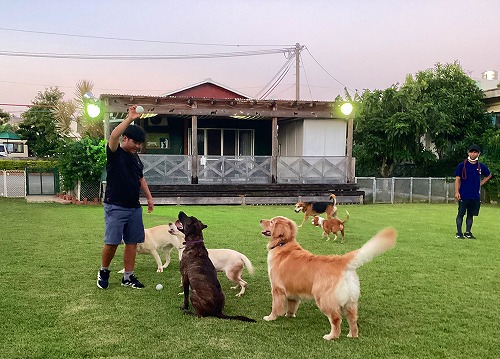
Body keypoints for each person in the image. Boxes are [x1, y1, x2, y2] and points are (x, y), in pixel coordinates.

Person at [97, 105, 154, 289]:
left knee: (132, 242)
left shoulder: (136, 158)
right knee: (112, 242)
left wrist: (149, 198)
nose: (137, 146)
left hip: (134, 207)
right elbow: (113, 136)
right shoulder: (115, 153)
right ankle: (104, 271)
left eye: (140, 144)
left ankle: (128, 276)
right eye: (135, 143)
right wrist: (130, 118)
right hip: (115, 206)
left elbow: (140, 178)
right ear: (125, 138)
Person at [454, 144, 492, 239]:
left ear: (478, 153)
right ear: (468, 153)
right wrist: (457, 192)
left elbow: (489, 175)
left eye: (475, 152)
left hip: (475, 196)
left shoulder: (481, 166)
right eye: (471, 152)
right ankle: (459, 233)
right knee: (461, 214)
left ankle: (468, 232)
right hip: (463, 194)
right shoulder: (462, 165)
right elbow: (457, 179)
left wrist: (481, 183)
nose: (473, 154)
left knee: (471, 215)